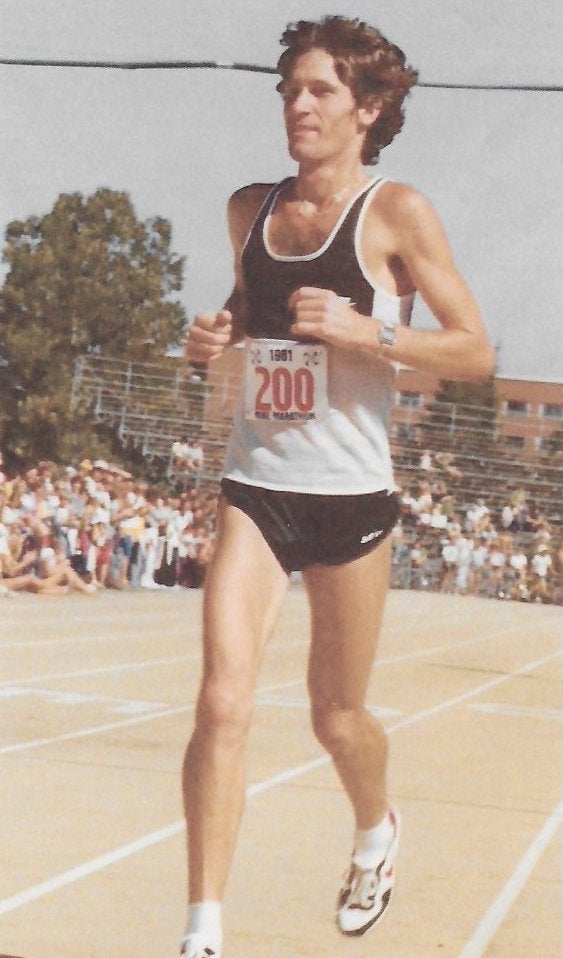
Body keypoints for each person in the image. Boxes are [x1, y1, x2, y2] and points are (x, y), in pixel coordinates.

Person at [179, 15, 494, 958]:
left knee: (336, 716)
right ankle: (202, 930)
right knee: (222, 701)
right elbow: (246, 313)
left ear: (369, 107)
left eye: (318, 90)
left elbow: (476, 353)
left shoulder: (396, 214)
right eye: (288, 90)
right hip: (257, 488)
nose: (298, 105)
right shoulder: (250, 208)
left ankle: (374, 829)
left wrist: (372, 334)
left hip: (352, 500)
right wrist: (212, 339)